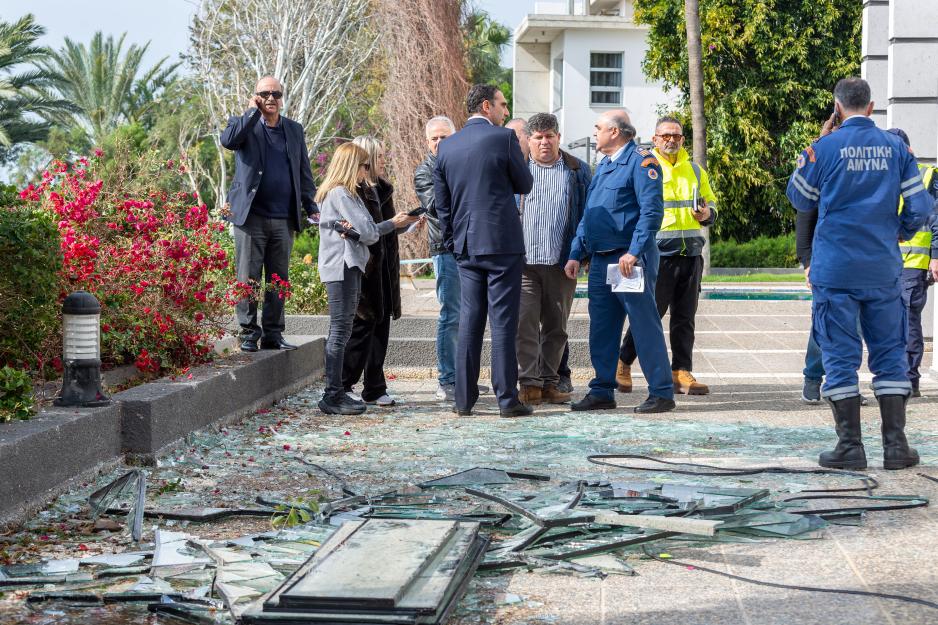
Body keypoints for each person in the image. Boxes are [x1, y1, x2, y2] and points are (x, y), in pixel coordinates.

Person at [786, 77, 931, 470]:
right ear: (871, 107)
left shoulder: (823, 148)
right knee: (890, 353)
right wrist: (895, 231)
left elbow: (799, 198)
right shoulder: (897, 148)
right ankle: (896, 447)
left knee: (839, 354)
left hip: (835, 268)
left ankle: (850, 447)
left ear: (837, 107)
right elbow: (920, 208)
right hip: (882, 267)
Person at [564, 109, 676, 414]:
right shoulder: (603, 166)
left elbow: (651, 212)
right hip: (601, 261)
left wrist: (635, 251)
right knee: (602, 327)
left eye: (599, 127)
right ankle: (602, 390)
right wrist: (576, 252)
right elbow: (590, 215)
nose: (595, 131)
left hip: (628, 259)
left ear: (615, 132)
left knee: (643, 324)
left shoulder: (642, 162)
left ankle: (662, 392)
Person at [433, 84, 534, 417]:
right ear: (487, 106)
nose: (506, 112)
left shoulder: (446, 147)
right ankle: (507, 400)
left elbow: (442, 205)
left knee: (469, 322)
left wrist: (452, 240)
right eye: (503, 105)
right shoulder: (503, 138)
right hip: (502, 243)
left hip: (465, 246)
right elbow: (525, 184)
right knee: (503, 322)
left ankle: (464, 400)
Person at [616, 116, 717, 396]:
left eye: (677, 136)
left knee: (685, 318)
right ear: (656, 138)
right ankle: (623, 363)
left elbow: (711, 202)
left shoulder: (695, 171)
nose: (672, 140)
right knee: (650, 315)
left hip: (691, 253)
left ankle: (681, 371)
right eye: (666, 136)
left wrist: (708, 213)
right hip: (658, 254)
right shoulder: (646, 167)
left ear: (683, 139)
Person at [317, 143, 418, 415]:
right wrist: (386, 225)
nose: (367, 170)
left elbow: (364, 231)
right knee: (340, 332)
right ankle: (333, 394)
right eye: (363, 165)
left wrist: (360, 230)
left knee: (342, 331)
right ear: (353, 166)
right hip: (342, 268)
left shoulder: (345, 194)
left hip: (347, 266)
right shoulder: (341, 194)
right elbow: (369, 232)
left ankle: (336, 391)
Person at [221, 76, 318, 353]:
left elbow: (303, 172)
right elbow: (229, 141)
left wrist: (311, 205)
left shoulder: (294, 130)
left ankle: (273, 334)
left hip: (283, 219)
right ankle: (249, 333)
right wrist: (251, 112)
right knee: (247, 278)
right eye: (265, 94)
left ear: (282, 97)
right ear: (256, 97)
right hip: (250, 218)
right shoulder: (243, 125)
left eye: (276, 94)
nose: (271, 98)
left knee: (279, 280)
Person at [516, 113, 591, 405]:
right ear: (530, 140)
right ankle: (529, 384)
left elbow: (587, 216)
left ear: (558, 137)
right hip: (523, 264)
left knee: (556, 327)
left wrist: (579, 253)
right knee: (524, 324)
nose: (544, 142)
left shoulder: (578, 171)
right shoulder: (517, 169)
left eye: (550, 136)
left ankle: (549, 382)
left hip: (562, 264)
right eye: (538, 137)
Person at [414, 116, 488, 402]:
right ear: (427, 142)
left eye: (445, 137)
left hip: (471, 246)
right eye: (434, 138)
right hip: (446, 249)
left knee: (471, 315)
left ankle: (464, 378)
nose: (439, 142)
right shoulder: (425, 171)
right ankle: (447, 379)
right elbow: (435, 205)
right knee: (452, 313)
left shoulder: (463, 164)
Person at [341, 136, 409, 407]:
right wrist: (392, 223)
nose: (383, 161)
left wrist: (405, 223)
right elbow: (367, 231)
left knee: (381, 328)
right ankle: (344, 383)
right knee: (361, 329)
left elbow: (388, 226)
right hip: (366, 267)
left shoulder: (384, 189)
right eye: (378, 157)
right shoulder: (352, 192)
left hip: (386, 266)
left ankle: (375, 386)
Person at [889, 128, 938, 397]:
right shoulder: (883, 175)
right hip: (884, 262)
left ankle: (910, 379)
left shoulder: (926, 175)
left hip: (913, 263)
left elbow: (936, 219)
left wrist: (935, 256)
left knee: (908, 321)